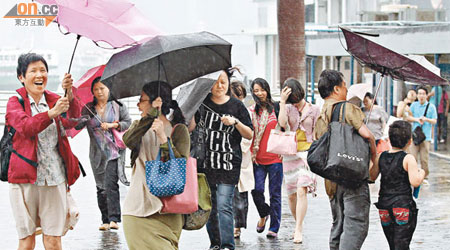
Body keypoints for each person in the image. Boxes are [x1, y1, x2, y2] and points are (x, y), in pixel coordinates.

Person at [6, 53, 82, 250]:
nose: (39, 75)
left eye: (43, 70)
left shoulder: (55, 99)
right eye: (33, 71)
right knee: (26, 241)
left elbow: (73, 121)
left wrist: (70, 95)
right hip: (24, 181)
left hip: (54, 178)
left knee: (53, 240)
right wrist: (51, 113)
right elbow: (26, 127)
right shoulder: (15, 103)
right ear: (21, 77)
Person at [189, 69, 253, 250]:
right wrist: (192, 107)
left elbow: (249, 134)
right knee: (211, 206)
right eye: (215, 82)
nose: (219, 86)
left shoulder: (236, 106)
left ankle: (227, 245)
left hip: (229, 164)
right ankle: (215, 243)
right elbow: (190, 128)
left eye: (223, 81)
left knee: (225, 205)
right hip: (206, 163)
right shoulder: (202, 103)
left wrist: (235, 122)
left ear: (228, 83)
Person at [121, 81, 189, 250]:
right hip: (138, 206)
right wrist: (151, 115)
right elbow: (128, 141)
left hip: (168, 208)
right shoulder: (139, 127)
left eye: (141, 99)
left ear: (156, 101)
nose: (137, 104)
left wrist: (163, 139)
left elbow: (180, 164)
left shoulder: (178, 130)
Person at [314, 69, 376, 250]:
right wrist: (374, 155)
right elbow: (367, 135)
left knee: (338, 226)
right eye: (344, 86)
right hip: (352, 176)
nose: (346, 90)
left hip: (331, 181)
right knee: (355, 226)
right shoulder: (346, 108)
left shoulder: (321, 114)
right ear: (335, 89)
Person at [75, 77, 131, 231]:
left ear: (109, 89)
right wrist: (83, 117)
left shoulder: (118, 106)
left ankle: (114, 219)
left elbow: (128, 122)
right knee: (101, 186)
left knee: (111, 184)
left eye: (102, 88)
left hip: (114, 151)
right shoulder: (88, 108)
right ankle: (105, 220)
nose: (99, 92)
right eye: (96, 89)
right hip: (97, 153)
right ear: (92, 91)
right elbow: (78, 124)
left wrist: (113, 124)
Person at [370, 120, 425, 250]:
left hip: (384, 207)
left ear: (389, 139)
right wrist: (421, 172)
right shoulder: (408, 158)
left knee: (393, 244)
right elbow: (415, 181)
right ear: (409, 141)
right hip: (402, 206)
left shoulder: (381, 156)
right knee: (402, 244)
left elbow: (371, 177)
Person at [278, 78, 320, 244]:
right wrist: (282, 103)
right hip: (290, 153)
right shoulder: (287, 108)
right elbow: (282, 124)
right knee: (291, 194)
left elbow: (316, 133)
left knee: (302, 189)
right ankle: (298, 223)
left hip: (307, 153)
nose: (294, 102)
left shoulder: (314, 109)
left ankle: (298, 229)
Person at [248, 78, 283, 239]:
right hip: (257, 159)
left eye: (262, 90)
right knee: (257, 191)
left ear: (267, 90)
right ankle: (264, 214)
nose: (259, 93)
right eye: (256, 90)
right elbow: (249, 134)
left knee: (275, 194)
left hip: (275, 158)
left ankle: (274, 227)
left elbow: (285, 126)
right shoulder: (251, 111)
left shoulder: (276, 108)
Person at [230, 80, 254, 239]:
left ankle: (237, 225)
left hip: (242, 157)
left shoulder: (246, 112)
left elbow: (249, 136)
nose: (237, 99)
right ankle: (230, 225)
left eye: (239, 96)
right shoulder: (224, 110)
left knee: (240, 195)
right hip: (227, 158)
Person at [407, 86, 437, 184]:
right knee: (413, 157)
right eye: (419, 93)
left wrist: (426, 119)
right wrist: (417, 119)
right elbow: (408, 117)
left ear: (426, 95)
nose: (421, 96)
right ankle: (413, 176)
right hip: (415, 136)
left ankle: (425, 177)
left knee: (424, 159)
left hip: (426, 136)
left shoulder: (431, 107)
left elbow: (434, 121)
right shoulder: (414, 105)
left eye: (423, 94)